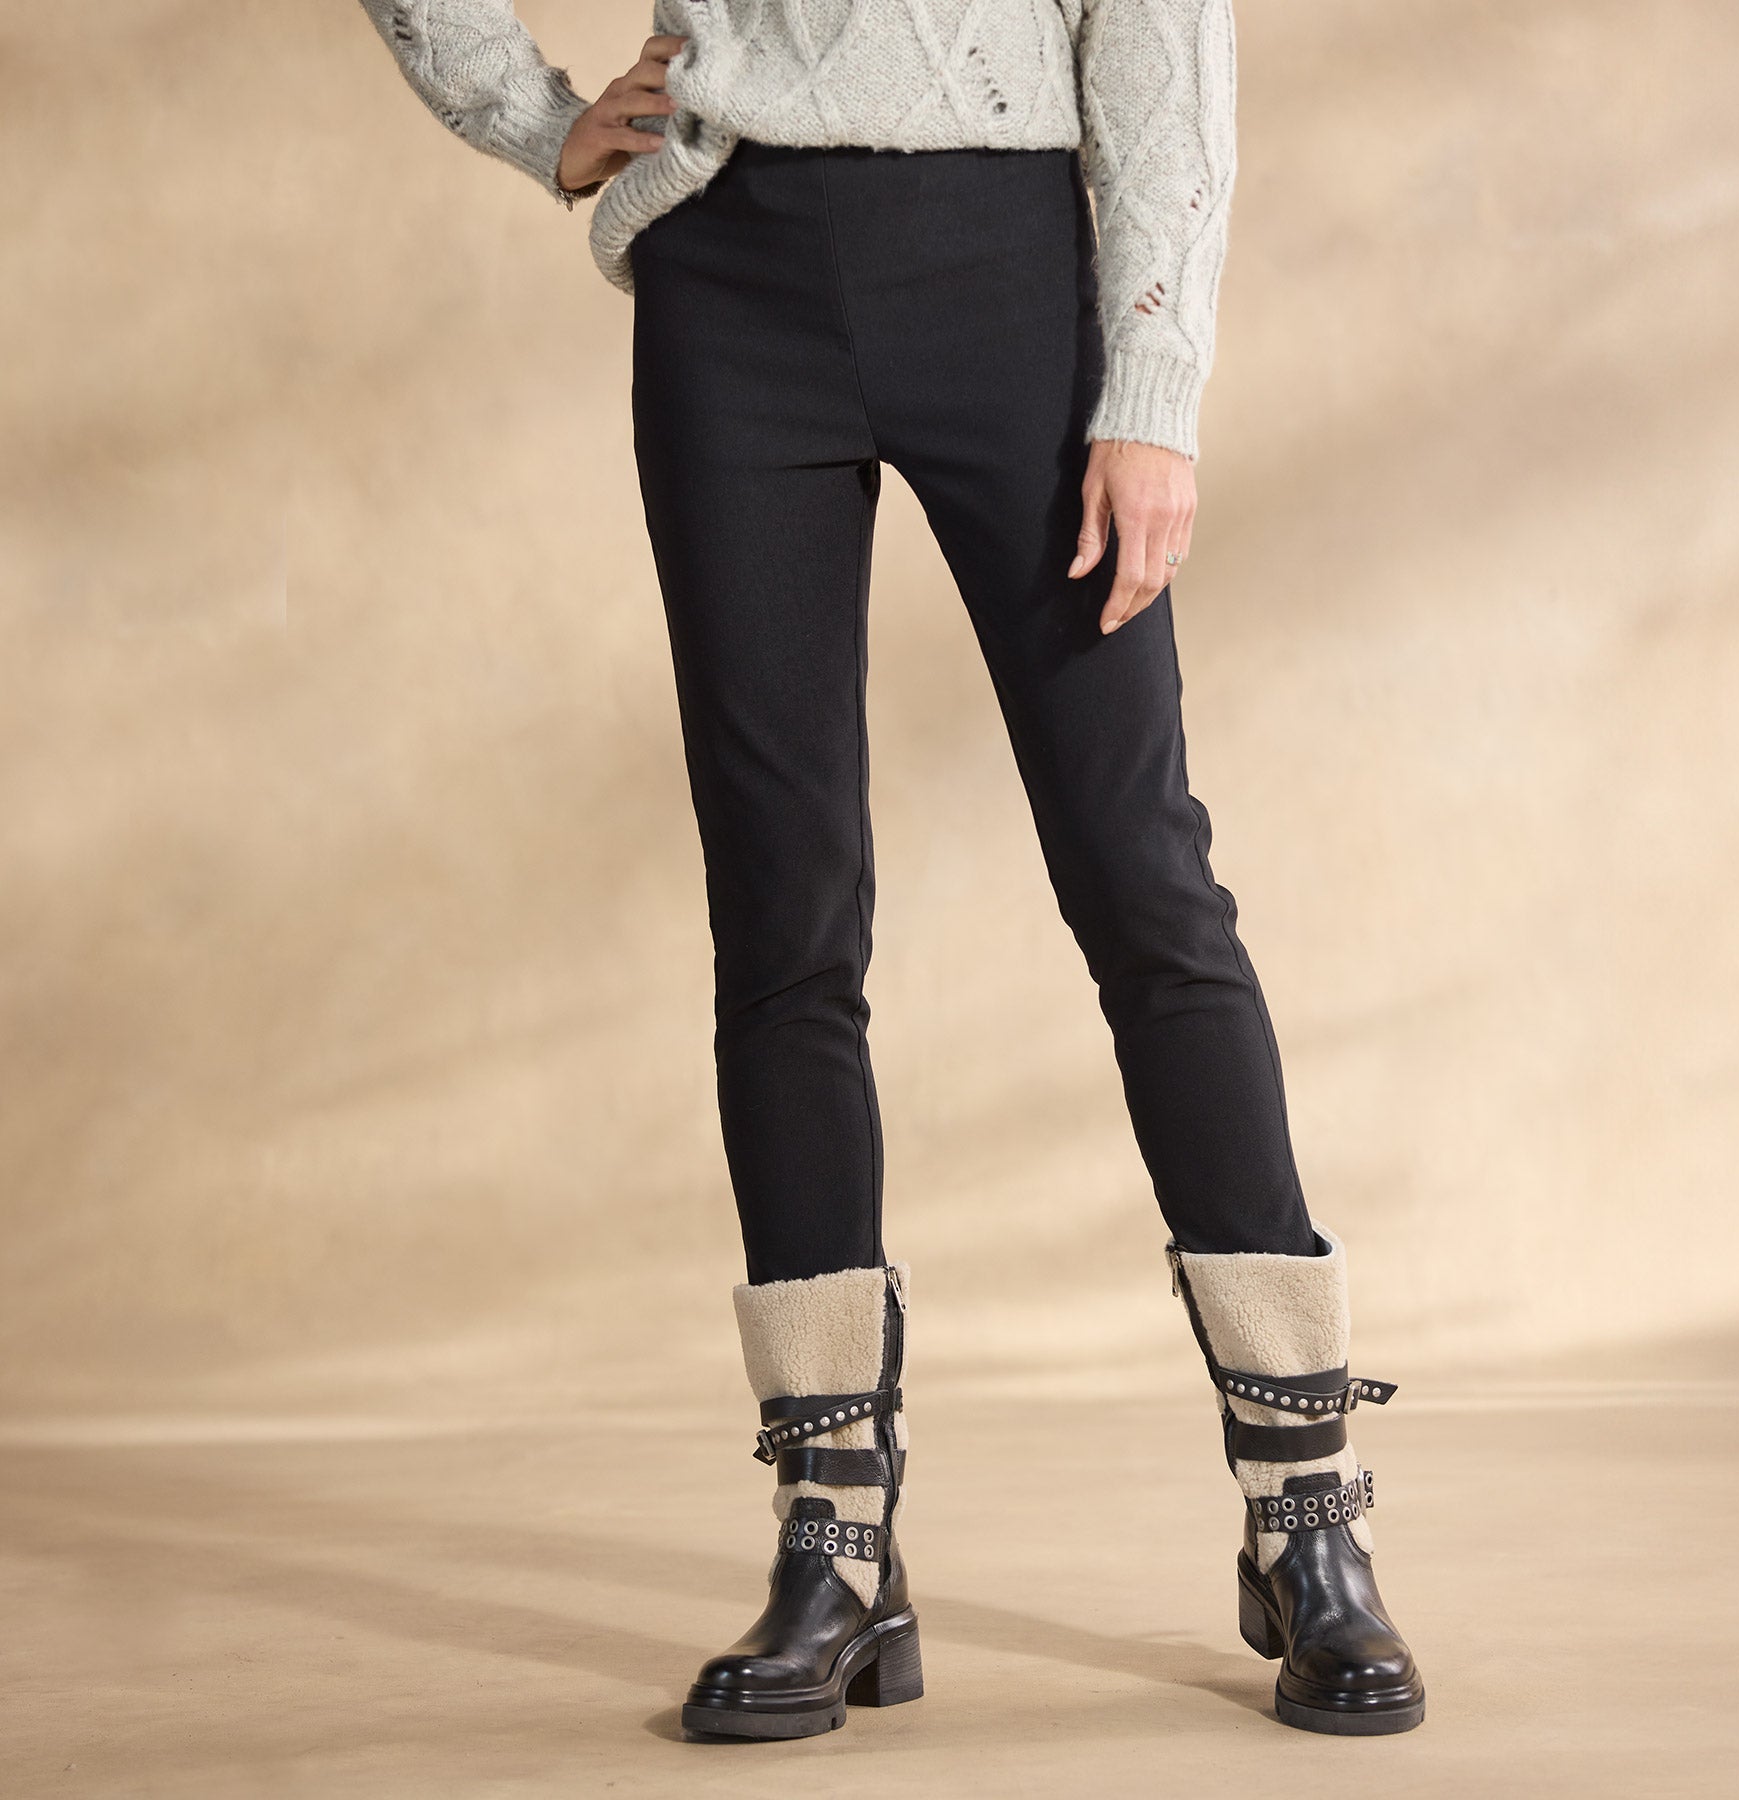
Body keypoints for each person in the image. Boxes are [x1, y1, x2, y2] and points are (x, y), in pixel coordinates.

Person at [354, 0, 1425, 1742]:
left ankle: (1307, 1513)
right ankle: (835, 1544)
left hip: (1009, 274)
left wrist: (1155, 387)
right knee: (781, 919)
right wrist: (520, 114)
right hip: (730, 279)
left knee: (1143, 883)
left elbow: (1157, 37)